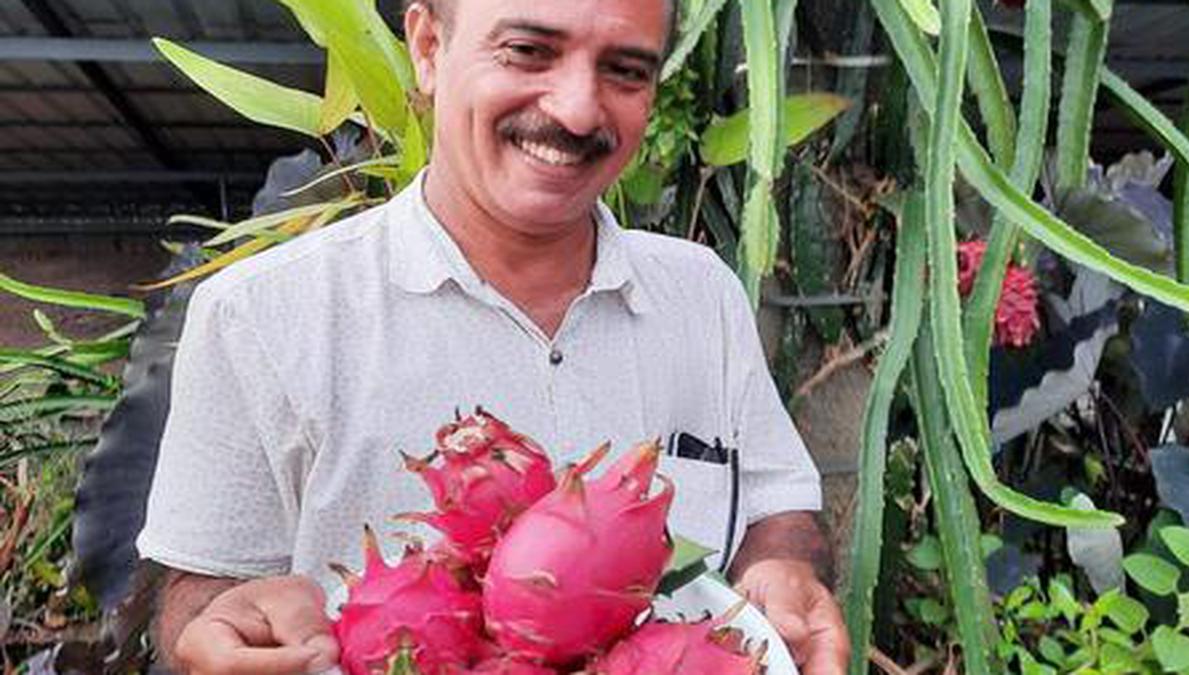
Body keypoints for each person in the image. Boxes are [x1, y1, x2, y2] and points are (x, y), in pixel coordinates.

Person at [137, 0, 852, 673]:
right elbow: (196, 599)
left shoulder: (703, 294)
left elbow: (774, 507)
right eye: (527, 51)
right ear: (427, 48)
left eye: (625, 70)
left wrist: (782, 571)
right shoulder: (259, 314)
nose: (577, 109)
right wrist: (219, 629)